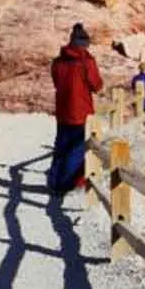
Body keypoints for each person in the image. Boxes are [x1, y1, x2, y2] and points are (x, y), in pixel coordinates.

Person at [47, 23, 103, 194]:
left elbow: (57, 82)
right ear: (84, 44)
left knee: (61, 147)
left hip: (63, 111)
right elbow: (96, 85)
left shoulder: (58, 61)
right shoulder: (87, 61)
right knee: (77, 150)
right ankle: (65, 184)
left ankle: (54, 182)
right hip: (81, 112)